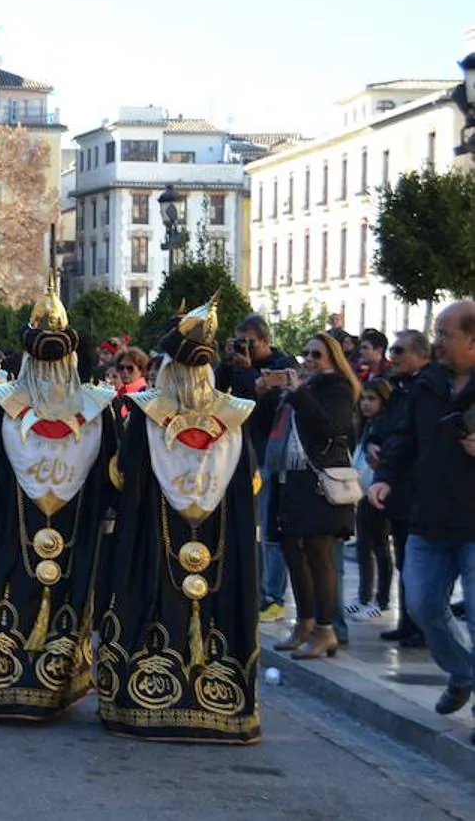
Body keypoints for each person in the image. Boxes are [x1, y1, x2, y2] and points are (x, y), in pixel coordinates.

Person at [98, 294, 262, 744]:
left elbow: (122, 477)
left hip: (158, 535)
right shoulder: (234, 417)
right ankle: (217, 703)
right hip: (218, 539)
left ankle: (150, 699)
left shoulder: (148, 417)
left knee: (156, 596)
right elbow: (250, 484)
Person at [0, 277, 117, 720]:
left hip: (11, 525)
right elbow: (114, 473)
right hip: (75, 525)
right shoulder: (98, 408)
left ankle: (3, 684)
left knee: (9, 586)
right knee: (66, 593)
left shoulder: (5, 405)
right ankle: (56, 686)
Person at [369, 302, 475, 738]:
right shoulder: (426, 384)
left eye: (445, 334)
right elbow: (405, 436)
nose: (437, 343)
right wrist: (385, 477)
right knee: (423, 605)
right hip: (429, 517)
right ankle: (463, 672)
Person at [267, 334, 360, 660]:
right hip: (291, 477)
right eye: (305, 352)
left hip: (320, 480)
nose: (307, 359)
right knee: (292, 550)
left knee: (320, 555)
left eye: (316, 354)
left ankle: (325, 628)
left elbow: (330, 427)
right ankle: (304, 623)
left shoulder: (338, 388)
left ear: (332, 358)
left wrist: (300, 393)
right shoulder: (301, 388)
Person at [214, 313, 295, 622]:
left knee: (268, 527)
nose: (243, 349)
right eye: (238, 342)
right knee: (245, 527)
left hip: (269, 454)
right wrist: (227, 362)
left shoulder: (282, 366)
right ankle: (251, 587)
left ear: (264, 340)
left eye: (248, 343)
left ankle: (272, 594)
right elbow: (218, 393)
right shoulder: (236, 366)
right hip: (240, 451)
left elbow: (272, 405)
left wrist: (249, 372)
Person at [369, 330, 431, 646]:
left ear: (421, 355)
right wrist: (373, 443)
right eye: (391, 350)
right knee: (404, 556)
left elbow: (413, 436)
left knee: (417, 561)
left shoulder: (427, 387)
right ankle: (408, 621)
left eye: (399, 350)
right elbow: (386, 426)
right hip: (397, 487)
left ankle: (422, 625)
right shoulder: (401, 389)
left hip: (416, 488)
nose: (393, 356)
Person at [348, 378, 393, 619]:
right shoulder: (366, 426)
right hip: (363, 492)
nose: (366, 404)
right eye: (364, 398)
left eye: (372, 399)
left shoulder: (384, 427)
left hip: (379, 492)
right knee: (364, 547)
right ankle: (363, 595)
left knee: (380, 546)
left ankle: (382, 599)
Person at [112, 346, 150, 419]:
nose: (125, 372)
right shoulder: (119, 393)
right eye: (121, 368)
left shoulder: (145, 394)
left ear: (141, 370)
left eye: (130, 368)